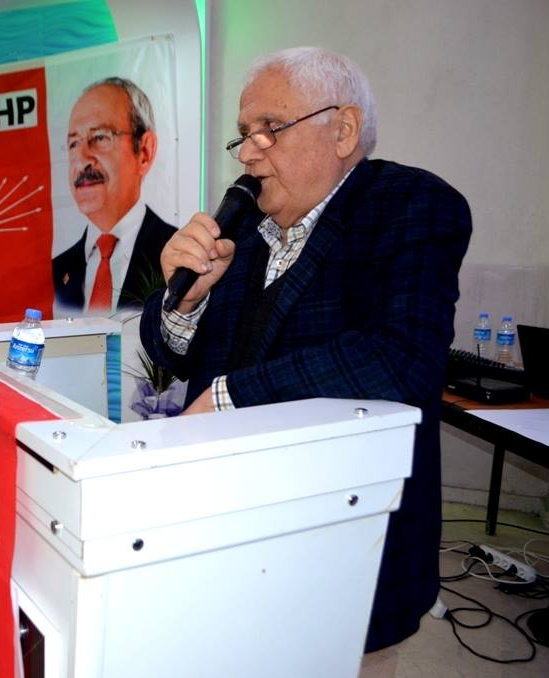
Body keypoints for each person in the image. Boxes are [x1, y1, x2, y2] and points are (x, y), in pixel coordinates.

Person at [140, 47, 471, 664]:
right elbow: (171, 354)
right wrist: (183, 302)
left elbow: (401, 357)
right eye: (243, 134)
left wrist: (229, 398)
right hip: (226, 535)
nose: (248, 153)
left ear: (342, 130)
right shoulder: (241, 226)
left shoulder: (410, 205)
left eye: (270, 127)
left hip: (345, 552)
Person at [53, 77, 175, 314]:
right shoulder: (56, 272)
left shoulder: (177, 256)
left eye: (100, 137)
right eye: (74, 144)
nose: (82, 160)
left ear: (145, 151)